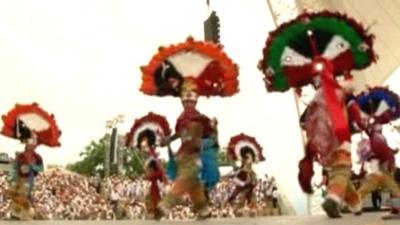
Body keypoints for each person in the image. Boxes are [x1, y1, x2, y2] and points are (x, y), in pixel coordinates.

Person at [158, 79, 213, 220]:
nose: (188, 103)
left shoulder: (200, 119)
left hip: (194, 158)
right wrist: (168, 140)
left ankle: (166, 204)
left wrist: (199, 142)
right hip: (183, 156)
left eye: (191, 101)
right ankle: (204, 210)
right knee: (193, 186)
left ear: (195, 102)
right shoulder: (181, 118)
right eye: (186, 101)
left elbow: (210, 139)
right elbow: (179, 134)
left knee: (183, 180)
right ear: (182, 102)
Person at [357, 123, 400, 217]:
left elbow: (387, 150)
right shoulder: (379, 137)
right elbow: (387, 151)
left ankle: (357, 201)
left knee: (381, 183)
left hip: (379, 163)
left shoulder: (376, 137)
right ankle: (356, 202)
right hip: (382, 163)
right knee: (388, 184)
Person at [7, 128, 43, 220]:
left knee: (23, 195)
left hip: (29, 179)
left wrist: (32, 166)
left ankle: (24, 214)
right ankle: (15, 214)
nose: (30, 145)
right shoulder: (20, 155)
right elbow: (15, 166)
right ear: (26, 143)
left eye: (32, 143)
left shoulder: (37, 157)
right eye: (28, 142)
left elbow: (41, 168)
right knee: (14, 194)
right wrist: (12, 175)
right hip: (18, 178)